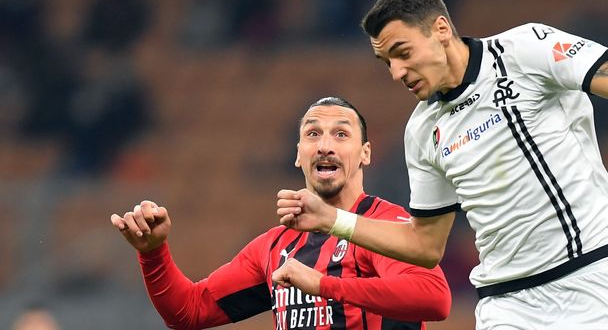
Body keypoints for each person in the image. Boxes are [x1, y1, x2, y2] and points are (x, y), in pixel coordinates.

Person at [277, 0, 608, 329]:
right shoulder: (422, 131)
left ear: (441, 30)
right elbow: (426, 246)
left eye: (402, 53)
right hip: (503, 304)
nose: (397, 74)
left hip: (585, 284)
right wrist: (332, 220)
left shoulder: (525, 50)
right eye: (386, 63)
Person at [111, 96, 451, 329]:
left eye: (341, 134)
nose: (325, 145)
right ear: (299, 155)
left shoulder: (384, 225)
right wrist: (153, 252)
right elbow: (190, 311)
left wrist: (325, 285)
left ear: (365, 154)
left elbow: (435, 299)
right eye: (312, 133)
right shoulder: (274, 247)